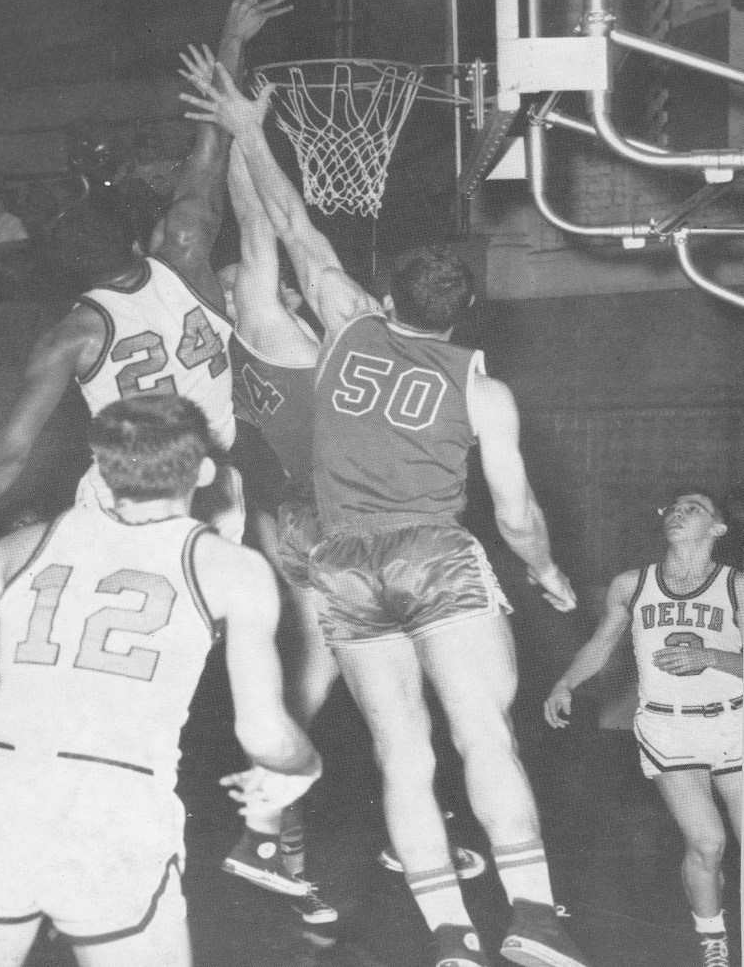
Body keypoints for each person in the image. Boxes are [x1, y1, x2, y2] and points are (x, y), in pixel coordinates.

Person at [181, 65, 587, 967]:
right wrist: (545, 571)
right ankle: (534, 915)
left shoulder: (345, 325)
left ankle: (447, 934)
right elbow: (515, 514)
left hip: (344, 560)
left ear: (390, 299)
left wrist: (249, 129)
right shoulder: (480, 382)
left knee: (403, 753)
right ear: (465, 311)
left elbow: (291, 227)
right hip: (433, 553)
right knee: (483, 733)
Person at [0, 394, 322, 967]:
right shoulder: (232, 569)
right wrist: (304, 767)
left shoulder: (24, 545)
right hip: (113, 805)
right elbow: (262, 733)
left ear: (100, 470)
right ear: (205, 472)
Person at [0, 0, 292, 567]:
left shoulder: (72, 334)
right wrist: (233, 41)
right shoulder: (186, 255)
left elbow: (13, 449)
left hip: (123, 495)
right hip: (210, 486)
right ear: (137, 241)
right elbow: (211, 149)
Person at [545, 492, 743, 967]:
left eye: (693, 507)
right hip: (667, 726)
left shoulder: (735, 586)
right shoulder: (632, 584)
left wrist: (710, 657)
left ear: (718, 528)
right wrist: (567, 682)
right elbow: (602, 643)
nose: (678, 512)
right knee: (708, 843)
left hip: (733, 721)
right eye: (673, 507)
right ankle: (711, 938)